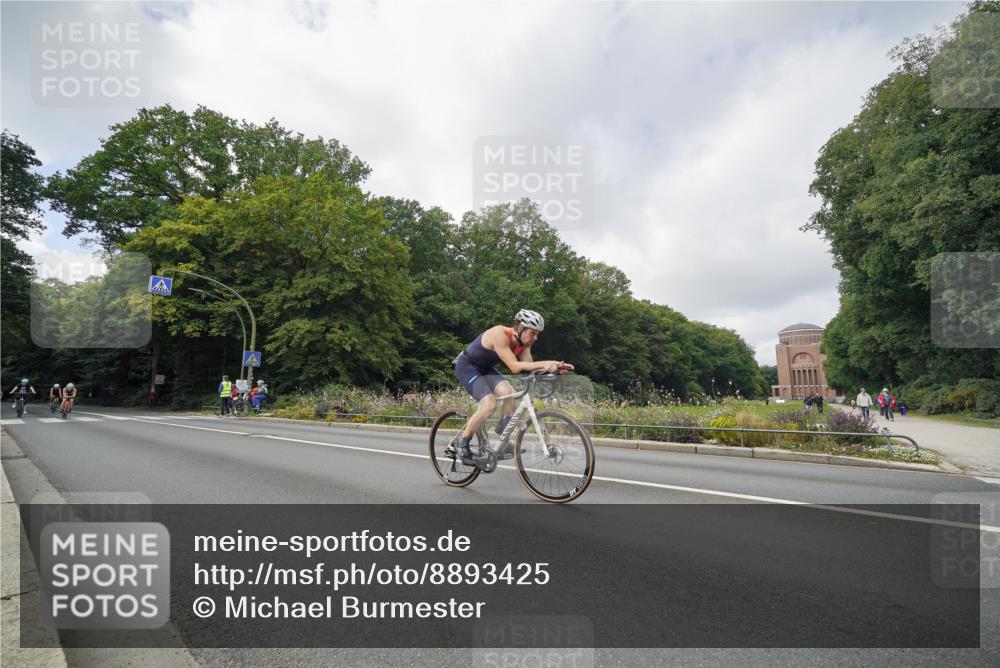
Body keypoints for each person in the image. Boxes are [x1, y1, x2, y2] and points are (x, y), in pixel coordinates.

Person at [451, 309, 572, 466]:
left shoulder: (523, 344)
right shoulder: (499, 334)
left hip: (486, 368)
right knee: (489, 404)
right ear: (520, 328)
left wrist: (554, 369)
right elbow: (514, 367)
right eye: (533, 333)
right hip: (467, 366)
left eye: (538, 334)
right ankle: (463, 442)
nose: (535, 338)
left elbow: (527, 368)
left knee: (510, 394)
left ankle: (502, 439)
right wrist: (545, 362)